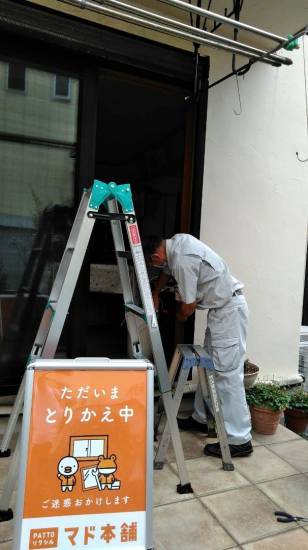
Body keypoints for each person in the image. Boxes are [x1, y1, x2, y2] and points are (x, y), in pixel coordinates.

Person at [142, 233, 253, 458]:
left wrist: (179, 318)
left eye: (153, 263)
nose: (157, 267)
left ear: (156, 255)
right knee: (209, 366)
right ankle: (202, 419)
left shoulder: (182, 259)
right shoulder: (176, 243)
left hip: (228, 312)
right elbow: (166, 271)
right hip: (221, 312)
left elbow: (189, 306)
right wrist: (155, 293)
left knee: (227, 374)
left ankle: (240, 439)